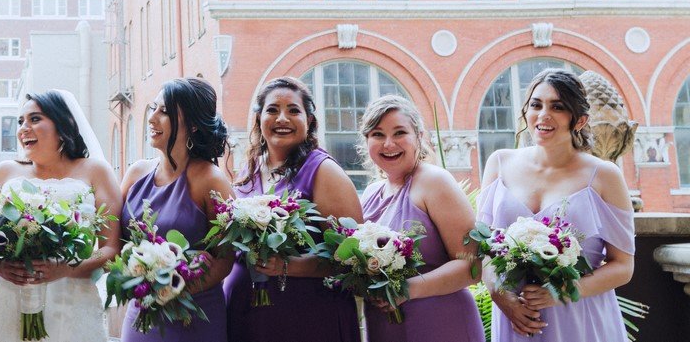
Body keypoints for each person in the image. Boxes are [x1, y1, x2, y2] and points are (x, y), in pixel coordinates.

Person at [478, 68, 634, 341]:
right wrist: (500, 295)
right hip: (516, 316)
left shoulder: (604, 175)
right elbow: (485, 248)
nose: (543, 115)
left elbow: (623, 266)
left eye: (558, 107)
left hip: (578, 318)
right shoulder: (499, 163)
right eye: (536, 105)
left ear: (580, 120)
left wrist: (560, 292)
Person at [0, 89, 122, 342]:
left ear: (63, 125)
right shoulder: (5, 172)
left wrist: (67, 268)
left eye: (35, 119)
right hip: (7, 301)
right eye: (21, 121)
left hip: (70, 304)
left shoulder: (95, 171)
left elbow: (111, 250)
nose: (23, 128)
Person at [223, 77, 362, 342]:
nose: (282, 118)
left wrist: (289, 265)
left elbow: (353, 256)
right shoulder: (249, 170)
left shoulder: (323, 171)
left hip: (306, 317)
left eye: (293, 110)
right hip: (247, 315)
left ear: (309, 121)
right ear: (259, 119)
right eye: (272, 110)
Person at [358, 94, 483, 342]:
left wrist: (405, 289)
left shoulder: (434, 181)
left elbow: (472, 266)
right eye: (378, 134)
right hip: (384, 326)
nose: (388, 144)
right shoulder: (371, 193)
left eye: (399, 133)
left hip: (440, 322)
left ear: (419, 136)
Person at [119, 78, 233, 342]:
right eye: (153, 108)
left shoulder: (211, 179)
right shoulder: (136, 173)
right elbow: (113, 244)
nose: (152, 118)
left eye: (165, 112)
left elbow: (226, 258)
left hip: (193, 318)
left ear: (192, 124)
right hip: (141, 317)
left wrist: (172, 290)